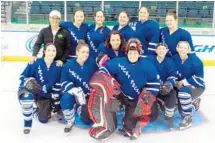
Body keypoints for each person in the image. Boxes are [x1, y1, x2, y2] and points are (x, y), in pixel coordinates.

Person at [88, 38, 160, 140]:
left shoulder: (148, 65)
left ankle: (134, 124)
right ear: (126, 52)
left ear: (139, 53)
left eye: (135, 52)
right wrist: (108, 81)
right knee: (101, 95)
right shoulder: (118, 62)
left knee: (132, 125)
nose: (132, 55)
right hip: (120, 95)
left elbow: (155, 83)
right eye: (130, 52)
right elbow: (103, 70)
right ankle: (106, 126)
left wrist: (148, 96)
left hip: (136, 99)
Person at [18, 43, 62, 134]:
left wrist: (55, 98)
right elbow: (22, 76)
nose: (51, 52)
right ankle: (27, 122)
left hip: (45, 95)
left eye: (53, 50)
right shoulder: (35, 62)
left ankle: (34, 111)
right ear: (44, 51)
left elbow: (58, 83)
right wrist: (27, 83)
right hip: (32, 92)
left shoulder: (58, 67)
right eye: (49, 50)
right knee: (27, 98)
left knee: (44, 119)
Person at [60, 40, 98, 134]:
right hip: (75, 94)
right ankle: (70, 121)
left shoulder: (93, 63)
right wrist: (74, 90)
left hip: (89, 95)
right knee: (65, 98)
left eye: (87, 52)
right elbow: (63, 82)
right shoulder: (68, 65)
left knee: (87, 120)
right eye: (83, 52)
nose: (85, 54)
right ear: (77, 52)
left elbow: (99, 78)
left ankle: (79, 108)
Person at [172, 41, 205, 130]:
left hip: (196, 86)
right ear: (177, 48)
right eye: (181, 47)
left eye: (185, 48)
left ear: (189, 50)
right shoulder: (173, 59)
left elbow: (199, 79)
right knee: (179, 109)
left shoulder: (196, 61)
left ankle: (188, 118)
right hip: (179, 86)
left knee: (183, 93)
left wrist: (183, 82)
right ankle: (194, 104)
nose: (182, 49)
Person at [146, 43, 178, 130]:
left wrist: (168, 84)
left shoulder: (170, 61)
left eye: (163, 49)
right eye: (159, 49)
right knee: (152, 117)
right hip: (152, 89)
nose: (161, 51)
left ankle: (169, 117)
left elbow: (173, 74)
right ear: (156, 50)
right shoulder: (149, 59)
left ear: (167, 51)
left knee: (172, 93)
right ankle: (158, 102)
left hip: (163, 88)